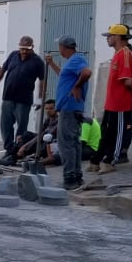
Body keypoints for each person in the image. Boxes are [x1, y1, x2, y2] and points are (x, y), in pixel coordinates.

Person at [0, 35, 45, 165]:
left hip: (24, 100)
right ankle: (8, 150)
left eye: (27, 49)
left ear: (32, 47)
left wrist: (40, 98)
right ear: (19, 47)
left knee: (21, 128)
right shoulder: (13, 55)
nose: (24, 51)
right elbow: (2, 70)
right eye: (22, 48)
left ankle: (16, 153)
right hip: (8, 97)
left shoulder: (37, 61)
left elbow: (42, 80)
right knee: (6, 125)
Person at [46, 37, 91, 190]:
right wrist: (52, 64)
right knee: (74, 143)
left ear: (64, 47)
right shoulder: (72, 61)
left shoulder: (77, 59)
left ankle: (70, 178)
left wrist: (77, 86)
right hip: (72, 107)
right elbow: (64, 76)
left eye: (59, 47)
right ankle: (76, 177)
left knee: (67, 144)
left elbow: (86, 72)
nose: (59, 50)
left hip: (69, 107)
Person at [92, 23, 132, 174]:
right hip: (112, 102)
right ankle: (96, 160)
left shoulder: (125, 54)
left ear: (118, 37)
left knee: (118, 134)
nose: (107, 39)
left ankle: (110, 161)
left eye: (110, 36)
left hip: (120, 103)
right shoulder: (118, 53)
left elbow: (127, 80)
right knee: (106, 133)